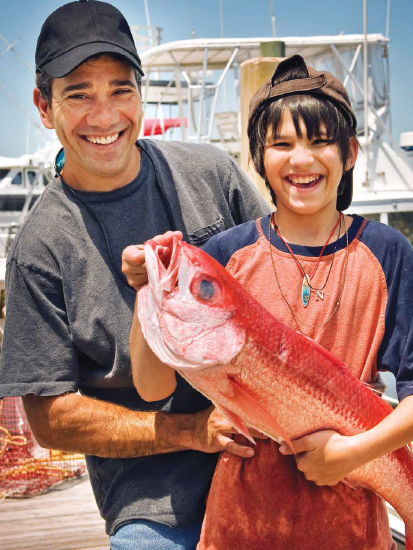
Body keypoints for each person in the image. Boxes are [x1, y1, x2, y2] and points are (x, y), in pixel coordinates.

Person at [125, 55, 413, 549]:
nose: (301, 159)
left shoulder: (387, 254)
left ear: (350, 154)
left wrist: (350, 454)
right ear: (257, 158)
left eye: (320, 141)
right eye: (281, 144)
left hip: (352, 531)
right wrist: (148, 290)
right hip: (239, 527)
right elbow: (151, 388)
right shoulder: (226, 255)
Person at [0, 1, 270, 549]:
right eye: (78, 94)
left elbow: (283, 284)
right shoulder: (40, 248)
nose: (104, 116)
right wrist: (190, 432)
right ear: (44, 107)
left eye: (120, 90)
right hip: (153, 497)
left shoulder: (211, 174)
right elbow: (49, 418)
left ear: (141, 95)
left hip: (269, 451)